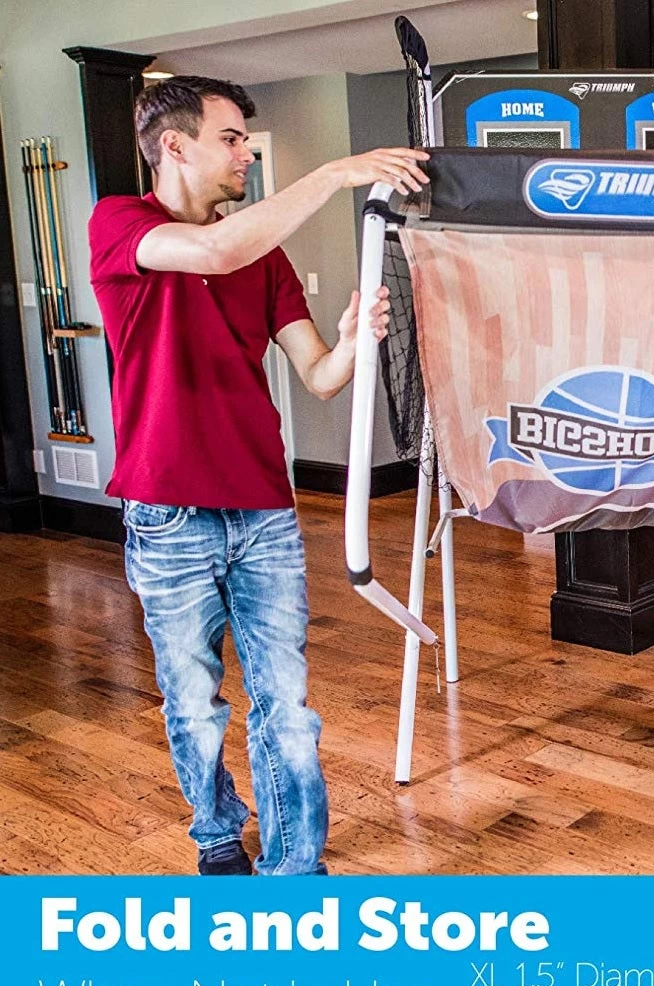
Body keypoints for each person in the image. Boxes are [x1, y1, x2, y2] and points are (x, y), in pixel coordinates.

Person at [88, 76, 429, 874]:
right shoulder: (120, 223)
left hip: (264, 513)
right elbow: (213, 252)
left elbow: (319, 375)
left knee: (288, 708)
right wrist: (336, 173)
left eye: (246, 139)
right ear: (174, 146)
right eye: (231, 138)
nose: (245, 153)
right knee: (194, 705)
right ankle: (216, 835)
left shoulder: (264, 257)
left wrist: (354, 342)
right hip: (168, 515)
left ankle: (294, 872)